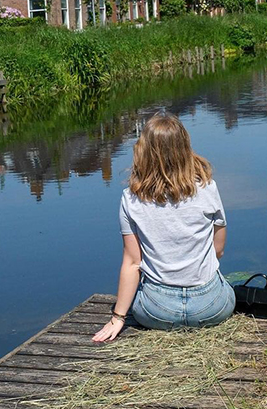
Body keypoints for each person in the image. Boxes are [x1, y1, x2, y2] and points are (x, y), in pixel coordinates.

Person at [92, 112, 235, 343]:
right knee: (226, 288)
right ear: (185, 148)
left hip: (157, 311)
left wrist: (118, 317)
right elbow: (218, 249)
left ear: (144, 151)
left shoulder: (131, 199)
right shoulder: (208, 188)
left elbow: (132, 262)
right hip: (210, 307)